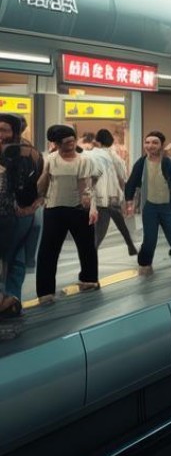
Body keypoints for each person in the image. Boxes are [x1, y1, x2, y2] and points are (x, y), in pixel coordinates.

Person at [35, 124, 103, 302]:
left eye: (72, 141)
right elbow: (41, 188)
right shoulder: (49, 159)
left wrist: (89, 207)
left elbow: (86, 185)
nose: (71, 145)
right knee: (48, 250)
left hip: (78, 208)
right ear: (56, 144)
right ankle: (45, 291)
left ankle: (89, 279)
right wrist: (45, 172)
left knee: (87, 245)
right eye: (66, 143)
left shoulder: (84, 160)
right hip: (54, 209)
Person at [124, 131, 171, 274]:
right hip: (149, 206)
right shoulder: (141, 163)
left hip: (167, 205)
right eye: (147, 142)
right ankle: (145, 263)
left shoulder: (169, 163)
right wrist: (129, 201)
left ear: (161, 145)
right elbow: (132, 181)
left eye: (154, 142)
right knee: (150, 238)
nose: (150, 146)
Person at [0, 113, 43, 318]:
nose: (0, 135)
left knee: (15, 259)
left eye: (4, 130)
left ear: (15, 132)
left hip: (18, 216)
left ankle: (12, 299)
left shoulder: (25, 152)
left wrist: (30, 206)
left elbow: (34, 183)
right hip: (6, 216)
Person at [88, 129, 136, 256]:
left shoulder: (91, 155)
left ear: (97, 141)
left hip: (99, 196)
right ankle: (130, 245)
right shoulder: (114, 156)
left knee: (100, 228)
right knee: (120, 222)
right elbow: (123, 176)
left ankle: (92, 251)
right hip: (114, 195)